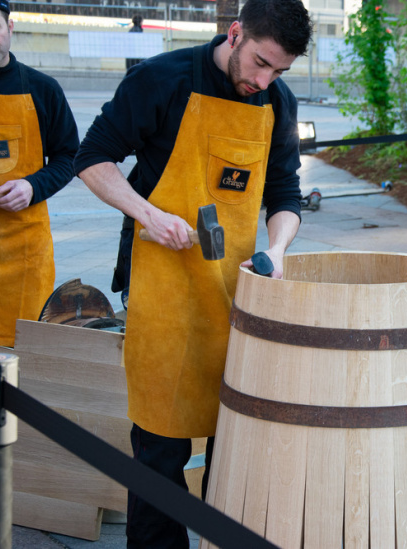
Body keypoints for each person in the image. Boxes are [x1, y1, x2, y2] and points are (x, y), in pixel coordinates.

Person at [73, 0, 312, 545]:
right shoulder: (163, 80)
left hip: (237, 288)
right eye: (259, 62)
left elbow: (286, 193)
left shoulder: (279, 102)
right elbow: (93, 158)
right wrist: (148, 215)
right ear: (234, 33)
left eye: (279, 71)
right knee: (160, 445)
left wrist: (276, 249)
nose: (264, 79)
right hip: (164, 286)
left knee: (236, 438)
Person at [0, 0, 79, 443]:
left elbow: (69, 157)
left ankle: (3, 441)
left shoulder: (43, 89)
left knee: (17, 348)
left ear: (11, 26)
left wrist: (33, 186)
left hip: (23, 247)